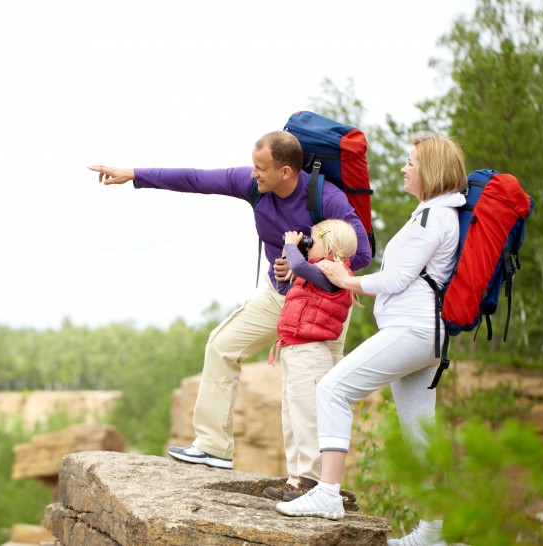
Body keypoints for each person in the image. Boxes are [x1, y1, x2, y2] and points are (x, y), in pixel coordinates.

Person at [89, 131, 372, 487]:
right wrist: (134, 174)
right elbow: (196, 179)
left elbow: (361, 253)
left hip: (320, 304)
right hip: (278, 297)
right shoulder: (253, 184)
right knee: (222, 345)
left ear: (286, 171)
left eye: (261, 168)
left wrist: (306, 258)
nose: (253, 174)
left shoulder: (326, 198)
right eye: (253, 166)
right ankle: (213, 447)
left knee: (312, 391)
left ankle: (311, 484)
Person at [274, 134, 467, 546]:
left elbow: (398, 279)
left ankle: (327, 493)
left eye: (410, 161)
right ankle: (433, 533)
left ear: (429, 169)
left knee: (331, 389)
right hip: (425, 334)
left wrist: (349, 280)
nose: (404, 167)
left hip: (412, 331)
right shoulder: (433, 214)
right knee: (420, 434)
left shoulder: (434, 217)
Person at [267, 219, 361, 504]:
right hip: (294, 351)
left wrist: (290, 246)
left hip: (310, 354)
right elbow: (292, 291)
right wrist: (284, 275)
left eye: (312, 240)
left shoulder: (334, 271)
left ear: (330, 246)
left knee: (308, 418)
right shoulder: (315, 274)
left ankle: (312, 481)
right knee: (292, 417)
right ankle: (296, 479)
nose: (306, 243)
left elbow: (300, 267)